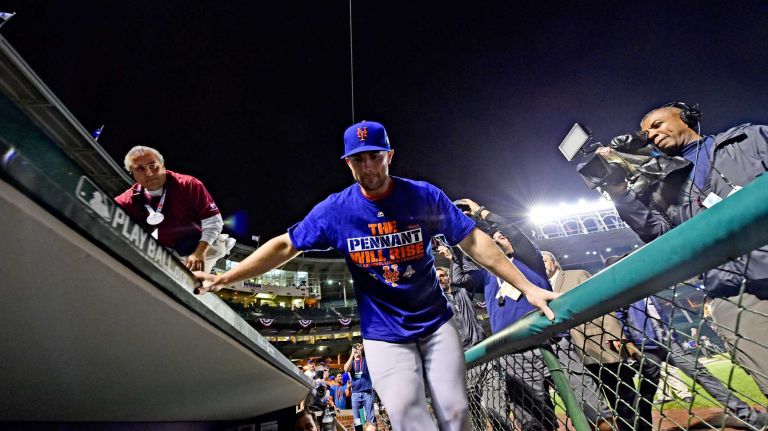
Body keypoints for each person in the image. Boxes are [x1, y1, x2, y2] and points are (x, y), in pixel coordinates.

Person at [194, 120, 559, 431]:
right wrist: (225, 278)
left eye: (374, 157)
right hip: (384, 334)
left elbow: (473, 240)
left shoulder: (422, 196)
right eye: (358, 160)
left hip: (435, 323)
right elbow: (285, 245)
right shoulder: (336, 210)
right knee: (405, 416)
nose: (367, 167)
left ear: (390, 156)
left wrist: (526, 287)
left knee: (456, 412)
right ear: (347, 163)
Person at [596, 103, 768, 400]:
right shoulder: (661, 187)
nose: (651, 135)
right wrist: (620, 194)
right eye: (646, 132)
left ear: (687, 118)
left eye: (658, 124)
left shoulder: (748, 139)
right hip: (733, 292)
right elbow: (660, 236)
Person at [451, 199, 610, 431]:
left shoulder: (529, 260)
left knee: (595, 411)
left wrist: (481, 212)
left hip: (552, 342)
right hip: (513, 354)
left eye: (501, 237)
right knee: (533, 425)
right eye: (492, 239)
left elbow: (513, 232)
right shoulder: (486, 276)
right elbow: (459, 279)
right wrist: (456, 241)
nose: (496, 239)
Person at [542, 251, 636, 431]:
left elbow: (601, 303)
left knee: (621, 398)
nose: (542, 264)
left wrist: (615, 334)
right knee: (591, 406)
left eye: (544, 260)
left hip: (596, 344)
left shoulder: (576, 275)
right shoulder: (540, 288)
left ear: (554, 263)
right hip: (568, 356)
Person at [115, 146, 232, 272]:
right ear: (132, 173)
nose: (149, 173)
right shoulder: (129, 198)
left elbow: (214, 222)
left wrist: (199, 253)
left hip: (203, 246)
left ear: (163, 164)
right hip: (169, 248)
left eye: (153, 165)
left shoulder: (189, 184)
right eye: (140, 169)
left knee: (194, 283)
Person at [344, 343, 376, 431]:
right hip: (355, 394)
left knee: (370, 417)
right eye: (356, 349)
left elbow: (373, 355)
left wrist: (364, 348)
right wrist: (352, 353)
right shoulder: (352, 363)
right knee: (357, 419)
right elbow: (346, 369)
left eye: (359, 349)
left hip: (367, 392)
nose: (357, 350)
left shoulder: (366, 360)